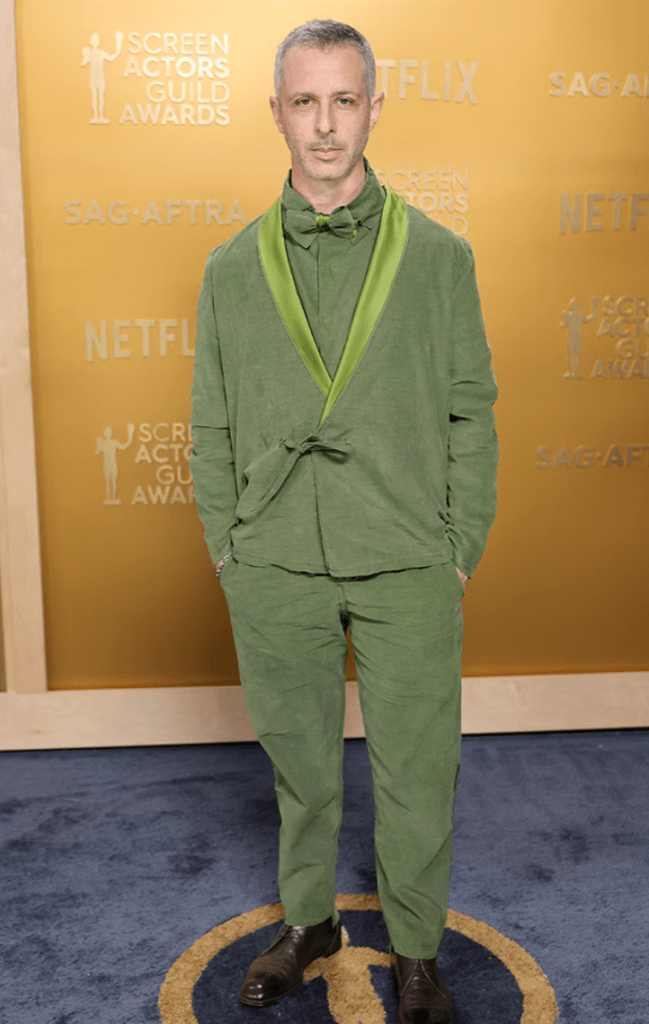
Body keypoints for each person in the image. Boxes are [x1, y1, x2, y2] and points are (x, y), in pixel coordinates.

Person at [190, 19, 498, 1024]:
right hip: (274, 557)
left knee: (418, 768)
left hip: (408, 555)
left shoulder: (438, 256)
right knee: (300, 766)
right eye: (305, 101)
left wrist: (457, 548)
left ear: (373, 108)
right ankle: (309, 921)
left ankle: (416, 951)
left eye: (344, 100)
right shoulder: (231, 267)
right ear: (277, 113)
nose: (324, 124)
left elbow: (470, 409)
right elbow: (210, 422)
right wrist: (229, 546)